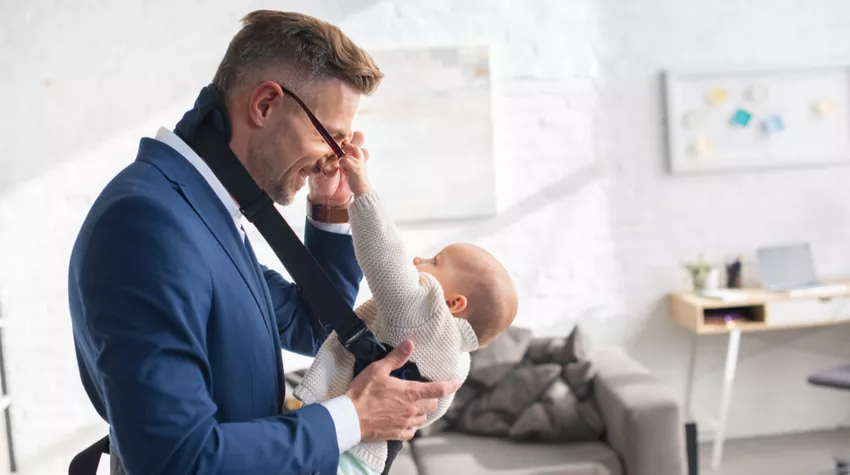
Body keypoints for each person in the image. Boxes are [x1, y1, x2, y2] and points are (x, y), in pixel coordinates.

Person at [67, 10, 460, 475]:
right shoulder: (148, 225)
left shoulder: (201, 211)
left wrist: (330, 210)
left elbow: (310, 325)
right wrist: (354, 418)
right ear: (266, 105)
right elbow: (174, 460)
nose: (333, 160)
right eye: (330, 139)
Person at [293, 140, 519, 475]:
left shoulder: (429, 318)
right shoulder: (457, 360)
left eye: (435, 261)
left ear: (453, 303)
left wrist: (362, 189)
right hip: (364, 462)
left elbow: (386, 257)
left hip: (341, 453)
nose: (419, 260)